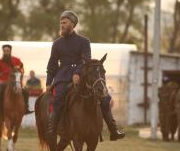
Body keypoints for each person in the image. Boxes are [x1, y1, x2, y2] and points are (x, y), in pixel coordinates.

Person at [45, 10, 125, 142]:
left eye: (64, 23)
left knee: (105, 97)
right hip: (63, 77)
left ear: (72, 24)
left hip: (82, 76)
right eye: (61, 23)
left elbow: (85, 60)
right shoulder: (57, 44)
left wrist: (77, 72)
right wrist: (48, 82)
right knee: (58, 97)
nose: (62, 25)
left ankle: (113, 129)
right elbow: (52, 65)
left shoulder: (84, 41)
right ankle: (52, 128)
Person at [0, 44, 33, 117]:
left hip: (15, 82)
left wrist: (19, 78)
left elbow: (22, 70)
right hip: (3, 82)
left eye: (7, 51)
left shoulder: (17, 60)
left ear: (10, 51)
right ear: (3, 52)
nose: (6, 52)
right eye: (5, 51)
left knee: (26, 91)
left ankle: (26, 108)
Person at [158, 76, 174, 141]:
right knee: (167, 122)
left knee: (162, 122)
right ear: (168, 82)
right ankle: (166, 137)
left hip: (161, 107)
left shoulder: (160, 89)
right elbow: (171, 98)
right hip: (167, 107)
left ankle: (163, 136)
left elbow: (158, 96)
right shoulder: (170, 89)